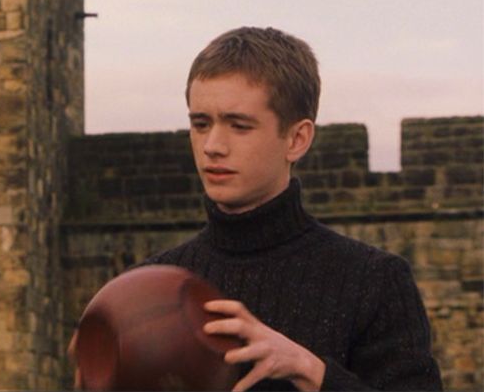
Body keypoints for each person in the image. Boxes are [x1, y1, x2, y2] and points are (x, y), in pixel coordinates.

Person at [70, 27, 442, 391]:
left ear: (297, 139)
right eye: (201, 124)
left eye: (239, 125)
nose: (213, 145)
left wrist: (312, 373)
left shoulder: (373, 281)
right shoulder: (142, 289)